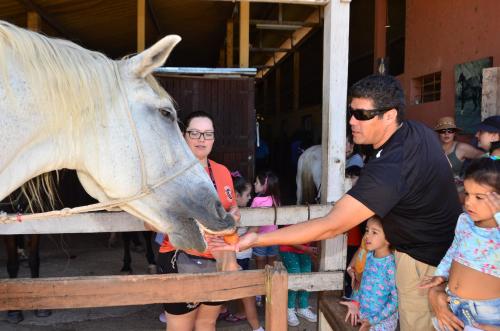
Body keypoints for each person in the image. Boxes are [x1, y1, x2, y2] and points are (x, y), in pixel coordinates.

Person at [209, 74, 463, 331]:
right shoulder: (416, 131)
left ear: (390, 115)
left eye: (363, 115)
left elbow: (332, 225)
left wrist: (257, 239)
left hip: (423, 260)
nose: (352, 121)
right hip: (441, 251)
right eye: (351, 113)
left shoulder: (391, 166)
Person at [156, 111, 240, 331]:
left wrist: (233, 214)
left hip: (218, 258)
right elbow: (151, 221)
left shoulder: (222, 171)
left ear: (214, 138)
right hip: (180, 256)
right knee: (180, 326)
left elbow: (230, 206)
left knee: (207, 323)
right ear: (185, 136)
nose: (201, 139)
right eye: (195, 133)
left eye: (208, 134)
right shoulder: (170, 173)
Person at [422, 158, 500, 331]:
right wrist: (441, 274)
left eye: (479, 197)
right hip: (453, 305)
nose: (469, 202)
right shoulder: (464, 220)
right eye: (467, 193)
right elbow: (453, 250)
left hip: (486, 318)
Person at [222, 173, 264, 331]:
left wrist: (240, 241)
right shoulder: (229, 212)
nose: (249, 198)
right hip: (233, 257)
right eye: (247, 195)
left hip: (239, 257)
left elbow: (255, 229)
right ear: (236, 195)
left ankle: (253, 324)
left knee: (244, 292)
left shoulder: (246, 211)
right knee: (240, 291)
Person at [340, 216, 398, 331]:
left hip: (382, 324)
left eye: (374, 232)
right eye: (367, 230)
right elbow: (360, 284)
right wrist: (355, 302)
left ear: (388, 239)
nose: (367, 236)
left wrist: (372, 321)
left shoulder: (390, 265)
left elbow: (395, 300)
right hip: (363, 317)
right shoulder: (368, 257)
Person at [250, 170, 281, 307]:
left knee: (260, 266)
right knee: (271, 266)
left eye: (256, 182)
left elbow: (250, 218)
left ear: (264, 186)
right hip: (273, 238)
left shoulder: (256, 200)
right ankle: (270, 292)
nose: (254, 184)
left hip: (260, 239)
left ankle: (258, 295)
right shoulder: (276, 199)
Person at [279, 239, 318, 326]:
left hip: (306, 247)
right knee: (295, 276)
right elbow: (286, 237)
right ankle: (289, 309)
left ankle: (303, 307)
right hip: (288, 247)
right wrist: (305, 249)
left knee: (306, 276)